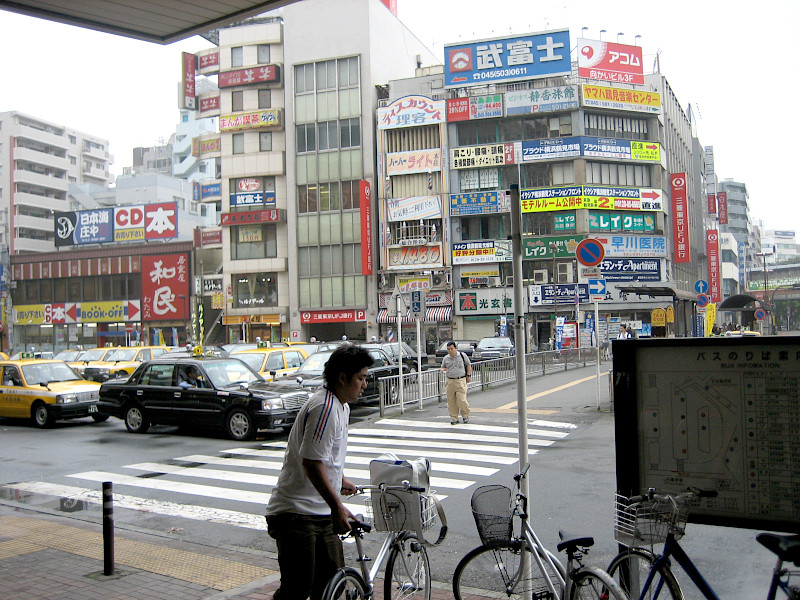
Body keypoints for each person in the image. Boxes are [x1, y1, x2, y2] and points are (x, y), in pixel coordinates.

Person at [265, 345, 374, 600]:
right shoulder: (325, 407)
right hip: (297, 514)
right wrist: (337, 506)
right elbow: (311, 462)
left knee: (330, 587)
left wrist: (340, 480)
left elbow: (324, 457)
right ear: (342, 378)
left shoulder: (341, 406)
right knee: (298, 590)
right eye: (361, 378)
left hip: (320, 513)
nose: (365, 385)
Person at [440, 340, 471, 425]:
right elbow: (442, 368)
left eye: (451, 349)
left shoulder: (462, 356)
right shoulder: (446, 358)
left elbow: (468, 365)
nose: (450, 351)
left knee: (461, 399)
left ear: (456, 348)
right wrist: (443, 370)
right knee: (451, 401)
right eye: (448, 349)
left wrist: (468, 375)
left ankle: (465, 415)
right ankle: (454, 418)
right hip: (450, 381)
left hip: (460, 380)